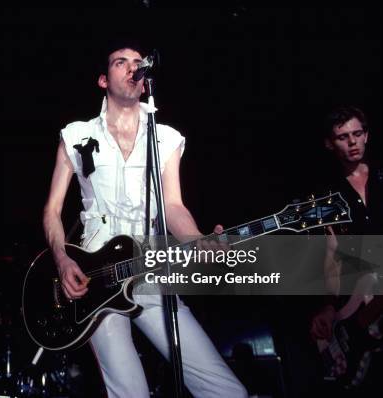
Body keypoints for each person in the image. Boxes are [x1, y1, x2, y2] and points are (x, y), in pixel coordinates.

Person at [42, 41, 247, 398]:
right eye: (121, 62)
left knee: (226, 391)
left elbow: (174, 207)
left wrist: (199, 239)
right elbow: (52, 210)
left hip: (150, 268)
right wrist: (62, 260)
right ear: (104, 80)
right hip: (97, 278)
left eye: (138, 62)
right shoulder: (76, 135)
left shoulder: (165, 138)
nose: (132, 68)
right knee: (132, 392)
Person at [309, 105, 383, 395]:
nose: (352, 142)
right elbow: (332, 253)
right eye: (343, 137)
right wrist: (329, 306)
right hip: (359, 305)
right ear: (329, 143)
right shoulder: (327, 195)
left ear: (367, 135)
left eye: (357, 134)